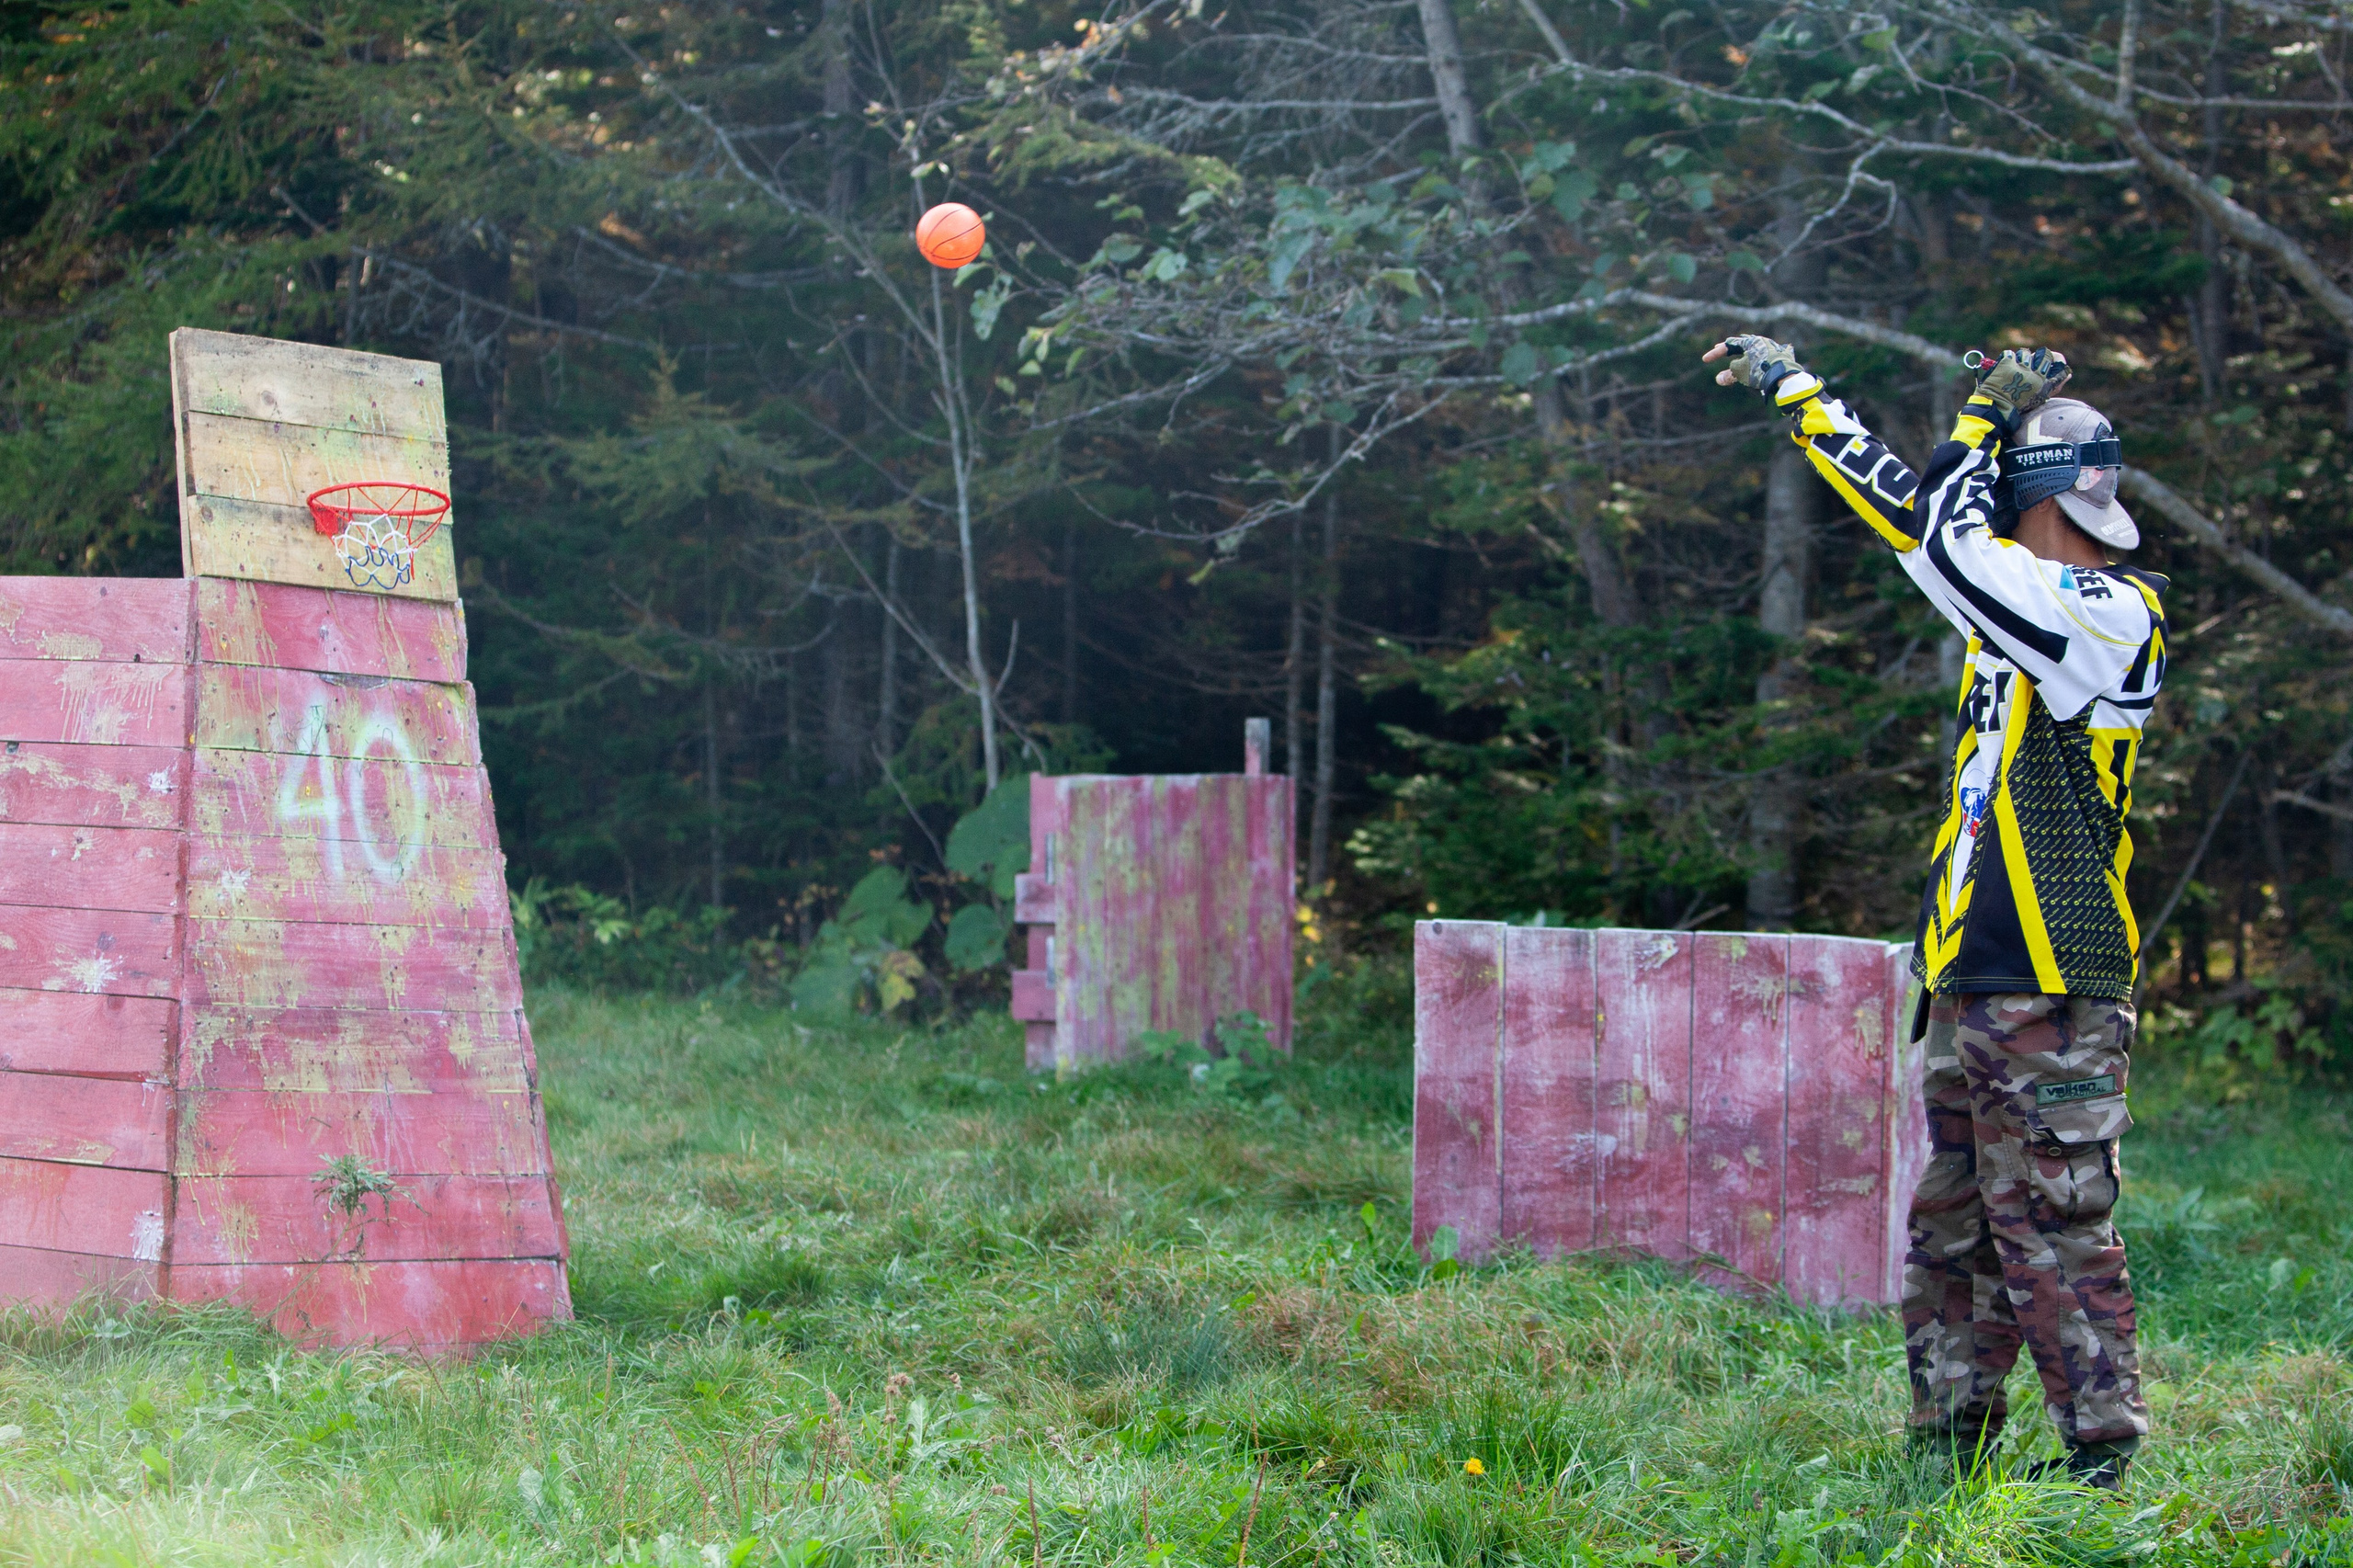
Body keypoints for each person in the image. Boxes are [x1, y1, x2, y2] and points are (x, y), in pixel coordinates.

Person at [1704, 336, 2162, 1490]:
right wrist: (1799, 395)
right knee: (1952, 1230)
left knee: (2053, 1223)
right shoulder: (2004, 591)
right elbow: (1925, 527)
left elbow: (1949, 540)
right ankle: (1946, 1448)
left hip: (2056, 978)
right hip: (1973, 973)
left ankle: (2100, 1466)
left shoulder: (2107, 611)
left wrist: (1971, 423)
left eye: (2000, 474)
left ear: (2033, 494)